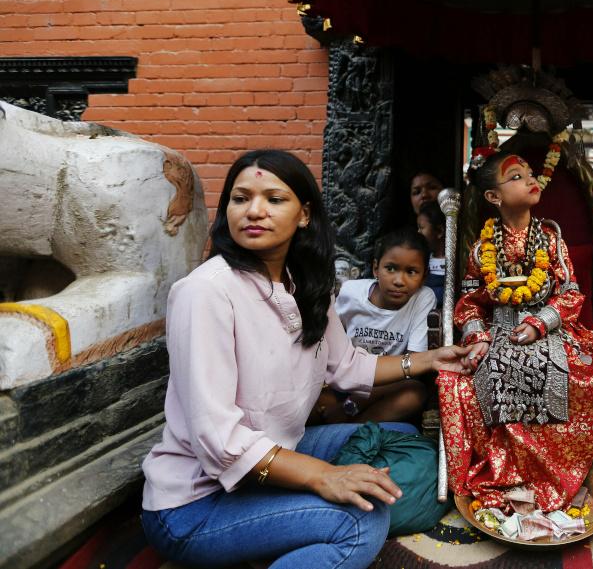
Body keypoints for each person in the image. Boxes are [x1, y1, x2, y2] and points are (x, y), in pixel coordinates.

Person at [140, 150, 471, 569]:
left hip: (278, 451)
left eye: (274, 199)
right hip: (196, 503)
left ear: (303, 214)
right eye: (240, 199)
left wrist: (428, 361)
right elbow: (220, 440)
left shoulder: (305, 286)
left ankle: (287, 522)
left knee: (403, 440)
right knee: (360, 524)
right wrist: (323, 477)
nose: (254, 211)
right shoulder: (205, 292)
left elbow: (349, 367)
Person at [437, 151, 593, 512]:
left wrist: (541, 322)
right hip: (498, 329)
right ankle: (506, 475)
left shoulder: (551, 240)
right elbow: (470, 300)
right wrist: (477, 337)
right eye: (517, 176)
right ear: (494, 197)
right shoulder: (482, 248)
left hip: (552, 328)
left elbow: (570, 293)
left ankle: (550, 477)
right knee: (463, 378)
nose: (531, 179)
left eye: (531, 172)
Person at [329, 228, 437, 423]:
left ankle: (356, 427)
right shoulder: (350, 292)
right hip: (344, 378)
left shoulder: (423, 298)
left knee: (414, 393)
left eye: (411, 272)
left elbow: (414, 362)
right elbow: (329, 344)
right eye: (391, 268)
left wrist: (360, 399)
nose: (398, 281)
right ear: (375, 268)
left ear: (424, 276)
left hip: (388, 383)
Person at [417, 201, 447, 306]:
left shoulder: (456, 262)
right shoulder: (422, 260)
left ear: (439, 231)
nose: (418, 233)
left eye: (421, 228)